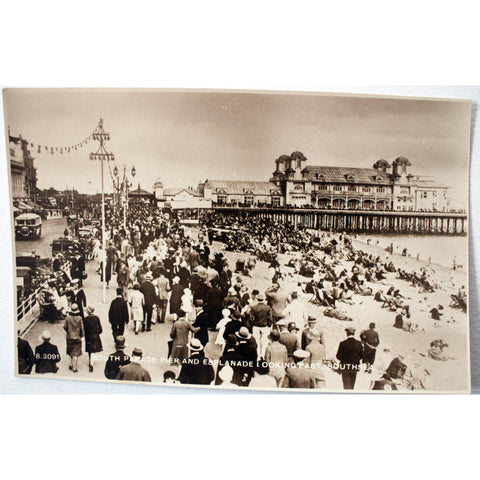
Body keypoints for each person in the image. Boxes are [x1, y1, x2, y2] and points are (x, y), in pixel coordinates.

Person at [247, 292, 272, 358]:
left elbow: (251, 318)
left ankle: (257, 355)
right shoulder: (268, 308)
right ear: (264, 299)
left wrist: (252, 324)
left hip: (256, 325)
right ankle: (263, 355)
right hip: (264, 325)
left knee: (256, 341)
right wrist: (269, 324)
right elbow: (270, 318)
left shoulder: (254, 307)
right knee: (265, 341)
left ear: (257, 299)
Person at [64, 303, 84, 372]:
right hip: (77, 337)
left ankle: (70, 364)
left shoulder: (68, 317)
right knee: (76, 353)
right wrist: (82, 336)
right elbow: (82, 328)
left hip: (69, 336)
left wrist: (69, 331)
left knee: (70, 351)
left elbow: (65, 327)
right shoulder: (80, 318)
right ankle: (74, 367)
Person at [83, 305, 103, 372]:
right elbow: (100, 329)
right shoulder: (96, 318)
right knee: (94, 350)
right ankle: (91, 363)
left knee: (89, 349)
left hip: (88, 336)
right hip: (95, 336)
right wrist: (97, 333)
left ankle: (90, 361)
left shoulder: (85, 319)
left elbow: (84, 329)